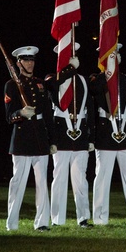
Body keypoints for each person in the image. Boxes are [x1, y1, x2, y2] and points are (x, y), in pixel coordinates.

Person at [87, 43, 126, 226]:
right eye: (109, 55)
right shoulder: (97, 79)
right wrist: (107, 71)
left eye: (116, 54)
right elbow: (94, 91)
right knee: (102, 177)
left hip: (125, 132)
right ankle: (101, 218)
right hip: (105, 133)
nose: (114, 57)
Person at [4, 45, 54, 232]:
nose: (30, 63)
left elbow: (48, 114)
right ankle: (12, 223)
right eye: (26, 60)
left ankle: (42, 223)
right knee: (18, 183)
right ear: (18, 63)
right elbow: (9, 117)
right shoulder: (11, 85)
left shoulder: (40, 84)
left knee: (42, 184)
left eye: (32, 60)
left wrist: (53, 140)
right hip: (22, 141)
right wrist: (21, 113)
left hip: (40, 140)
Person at [45, 43, 91, 227]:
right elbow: (50, 84)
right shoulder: (54, 78)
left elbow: (91, 109)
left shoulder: (83, 80)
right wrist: (69, 69)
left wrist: (91, 137)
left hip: (80, 134)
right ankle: (57, 218)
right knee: (60, 178)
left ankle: (83, 217)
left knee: (80, 179)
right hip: (61, 134)